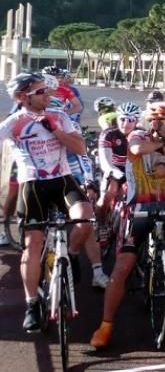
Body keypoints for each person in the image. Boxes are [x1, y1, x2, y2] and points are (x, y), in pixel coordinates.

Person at [89, 102, 165, 350]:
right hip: (137, 207)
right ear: (154, 123)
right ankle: (105, 325)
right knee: (123, 266)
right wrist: (161, 143)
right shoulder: (138, 135)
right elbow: (136, 148)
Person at [1, 73, 103, 331]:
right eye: (40, 91)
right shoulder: (14, 122)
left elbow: (80, 148)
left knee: (85, 218)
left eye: (47, 89)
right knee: (33, 244)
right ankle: (32, 303)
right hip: (33, 185)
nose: (47, 94)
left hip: (62, 180)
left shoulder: (60, 116)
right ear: (23, 97)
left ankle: (72, 254)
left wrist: (55, 129)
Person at [95, 102, 141, 225]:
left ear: (136, 121)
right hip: (114, 169)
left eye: (131, 120)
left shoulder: (141, 134)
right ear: (117, 119)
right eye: (122, 119)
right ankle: (100, 225)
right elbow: (106, 164)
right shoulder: (109, 134)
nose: (125, 124)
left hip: (133, 170)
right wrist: (118, 174)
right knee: (109, 193)